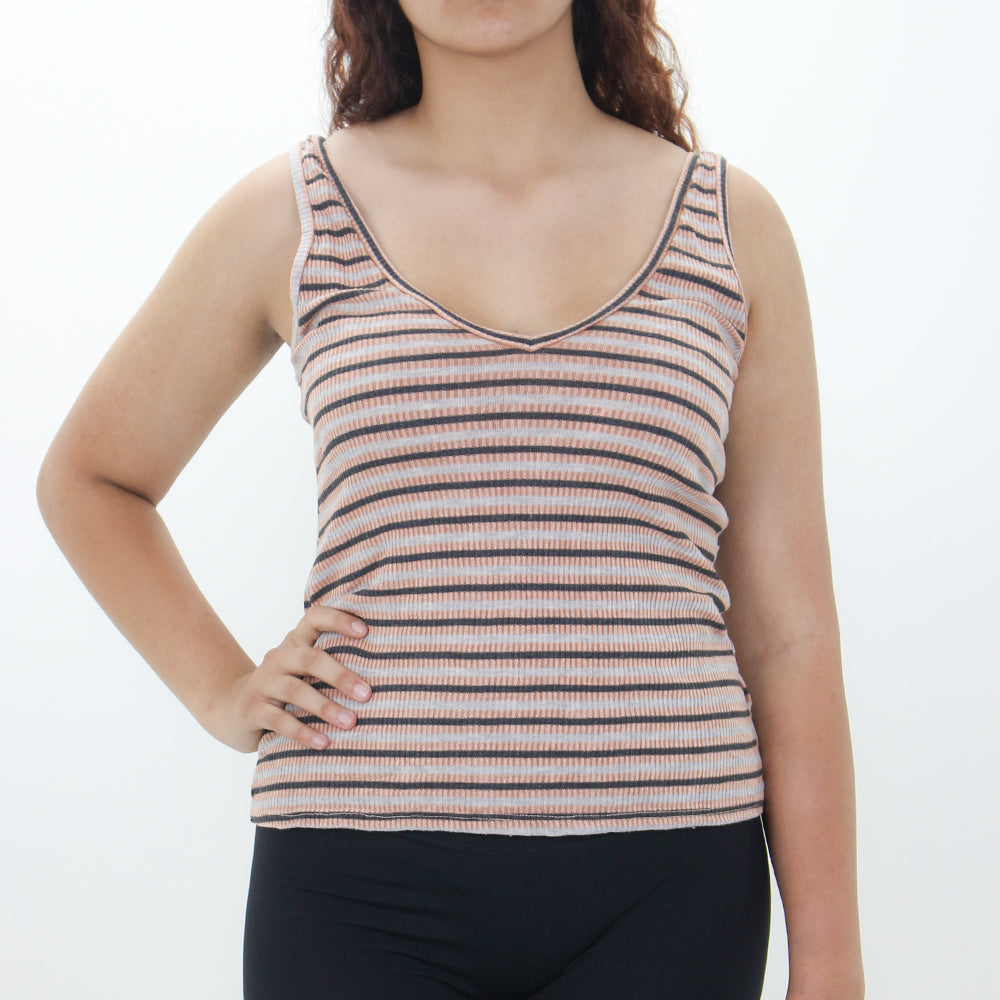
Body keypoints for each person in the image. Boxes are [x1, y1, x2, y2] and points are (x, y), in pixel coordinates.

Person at [36, 1, 864, 998]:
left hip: (671, 883)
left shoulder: (730, 227)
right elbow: (91, 478)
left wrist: (832, 962)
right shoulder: (294, 214)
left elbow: (789, 634)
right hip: (354, 887)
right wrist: (223, 689)